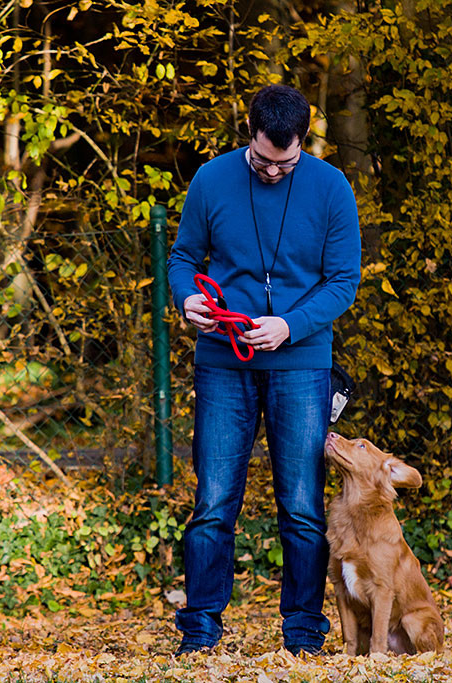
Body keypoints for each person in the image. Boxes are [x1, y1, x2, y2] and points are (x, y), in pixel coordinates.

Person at [166, 84, 361, 656]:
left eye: (287, 162)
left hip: (300, 362)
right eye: (263, 160)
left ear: (302, 142)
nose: (274, 171)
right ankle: (199, 630)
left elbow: (342, 281)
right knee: (213, 501)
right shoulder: (210, 179)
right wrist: (187, 301)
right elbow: (183, 259)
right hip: (223, 361)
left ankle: (303, 632)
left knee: (302, 505)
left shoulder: (331, 188)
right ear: (248, 133)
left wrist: (290, 326)